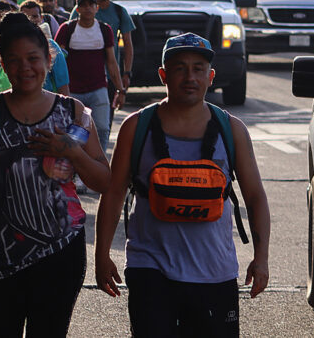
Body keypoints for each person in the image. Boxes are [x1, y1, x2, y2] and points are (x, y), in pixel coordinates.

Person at [94, 33, 271, 337]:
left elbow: (255, 197)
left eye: (198, 69)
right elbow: (113, 193)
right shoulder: (137, 127)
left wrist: (262, 257)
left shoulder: (232, 130)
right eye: (179, 68)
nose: (190, 77)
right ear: (163, 74)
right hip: (150, 269)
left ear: (211, 76)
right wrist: (100, 256)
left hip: (214, 273)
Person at [0, 13, 110, 338]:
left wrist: (71, 151)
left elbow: (104, 181)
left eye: (33, 58)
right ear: (1, 64)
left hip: (59, 254)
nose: (25, 68)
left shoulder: (74, 113)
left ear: (49, 59)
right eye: (13, 60)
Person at [54, 0, 125, 152]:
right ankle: (74, 162)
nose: (87, 8)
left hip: (98, 88)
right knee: (70, 130)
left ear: (96, 8)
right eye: (83, 5)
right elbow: (57, 61)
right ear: (77, 9)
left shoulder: (104, 29)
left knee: (102, 128)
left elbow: (112, 62)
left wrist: (120, 89)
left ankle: (100, 162)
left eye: (91, 5)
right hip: (72, 90)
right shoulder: (67, 29)